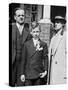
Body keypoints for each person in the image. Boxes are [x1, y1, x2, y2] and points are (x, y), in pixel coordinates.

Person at [12, 8, 32, 86]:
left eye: (23, 15)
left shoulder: (28, 31)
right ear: (15, 17)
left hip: (23, 65)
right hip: (11, 63)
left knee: (21, 85)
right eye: (19, 15)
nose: (21, 17)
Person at [48, 16, 67, 85]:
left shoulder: (65, 36)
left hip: (61, 71)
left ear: (63, 24)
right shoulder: (53, 38)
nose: (55, 24)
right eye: (55, 22)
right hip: (52, 70)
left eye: (58, 22)